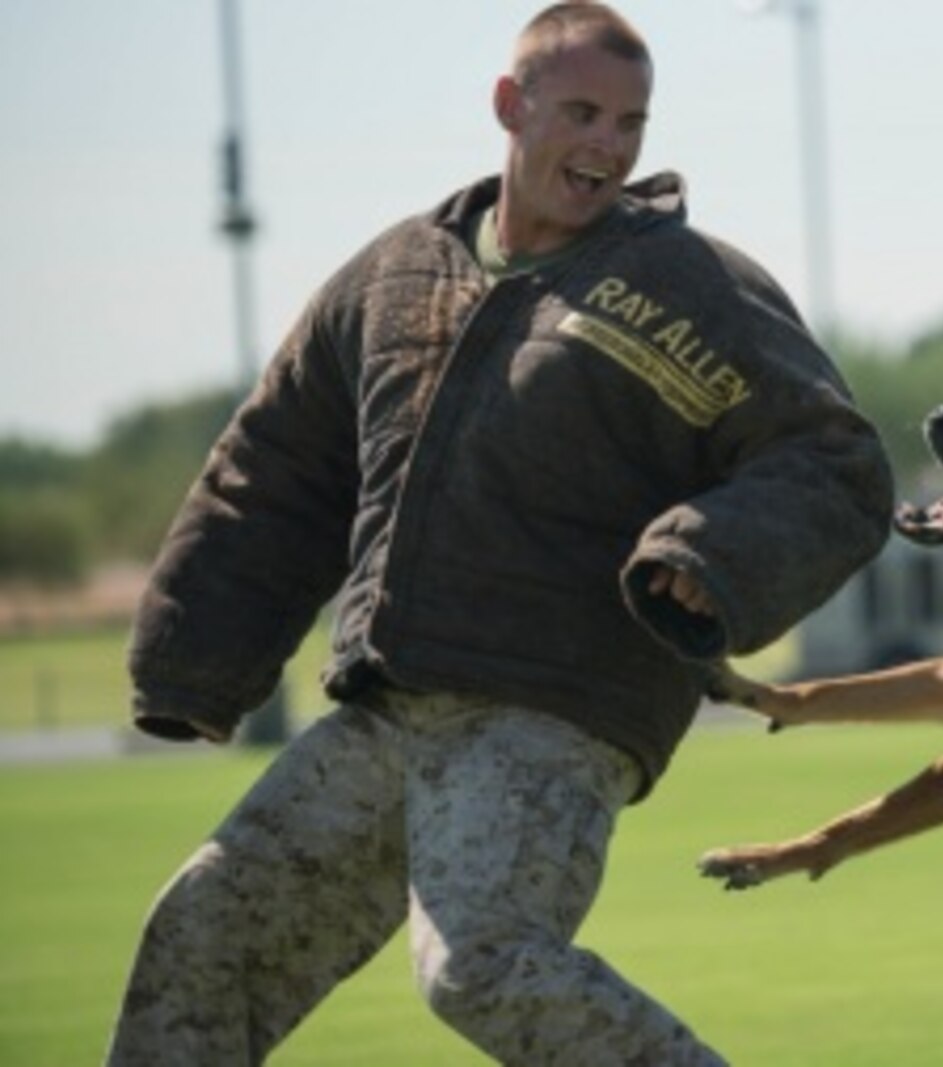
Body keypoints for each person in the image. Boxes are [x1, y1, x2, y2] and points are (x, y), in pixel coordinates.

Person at [105, 3, 893, 1063]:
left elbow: (836, 464)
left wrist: (712, 552)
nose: (607, 146)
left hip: (555, 707)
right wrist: (194, 660)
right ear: (509, 106)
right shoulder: (396, 275)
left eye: (630, 123)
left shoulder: (685, 285)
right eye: (581, 112)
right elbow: (278, 466)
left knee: (480, 957)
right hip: (390, 704)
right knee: (202, 929)